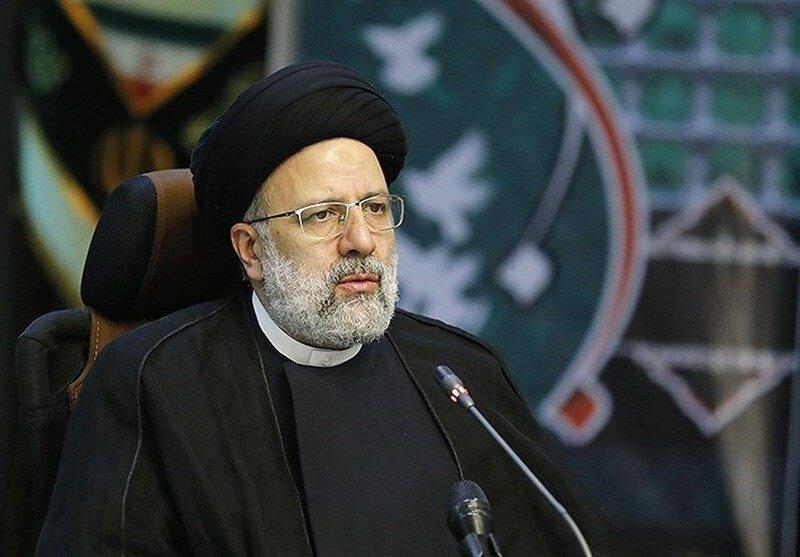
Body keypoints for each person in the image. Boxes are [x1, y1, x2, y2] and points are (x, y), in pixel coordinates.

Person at [38, 61, 624, 555]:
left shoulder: (461, 373)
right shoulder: (154, 382)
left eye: (374, 208)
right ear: (251, 250)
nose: (361, 240)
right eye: (322, 215)